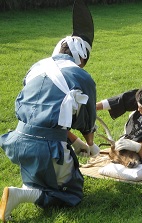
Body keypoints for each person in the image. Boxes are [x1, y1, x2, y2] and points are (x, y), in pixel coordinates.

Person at [0, 0, 100, 222]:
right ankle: (21, 194)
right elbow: (87, 121)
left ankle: (27, 186)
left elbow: (46, 118)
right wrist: (90, 145)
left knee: (46, 171)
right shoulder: (81, 76)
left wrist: (76, 144)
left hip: (17, 142)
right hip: (45, 149)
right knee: (73, 190)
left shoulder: (36, 67)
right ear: (81, 55)